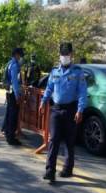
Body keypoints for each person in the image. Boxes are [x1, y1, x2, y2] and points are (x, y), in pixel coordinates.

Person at [39, 43, 87, 183]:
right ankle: (50, 171)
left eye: (67, 54)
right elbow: (49, 88)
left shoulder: (78, 72)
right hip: (56, 109)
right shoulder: (55, 71)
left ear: (71, 55)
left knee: (69, 141)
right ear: (59, 55)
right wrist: (43, 102)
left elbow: (83, 92)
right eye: (62, 54)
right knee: (53, 140)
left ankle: (67, 168)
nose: (64, 57)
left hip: (71, 110)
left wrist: (80, 110)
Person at [3, 48, 24, 146]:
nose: (20, 57)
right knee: (13, 116)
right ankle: (11, 138)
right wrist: (17, 95)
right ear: (16, 55)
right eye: (20, 55)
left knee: (9, 114)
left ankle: (8, 134)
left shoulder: (9, 63)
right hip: (13, 93)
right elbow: (15, 82)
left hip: (9, 92)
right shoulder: (14, 65)